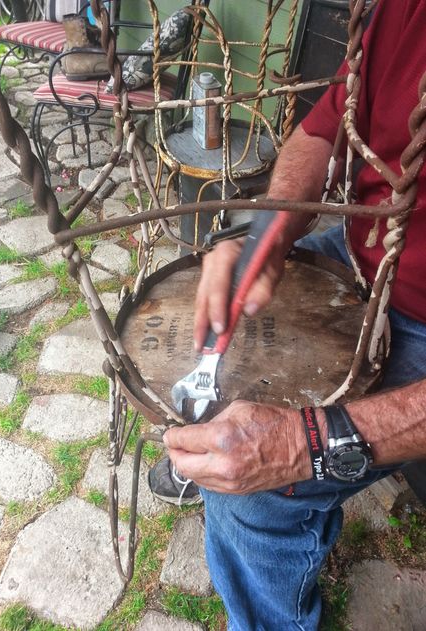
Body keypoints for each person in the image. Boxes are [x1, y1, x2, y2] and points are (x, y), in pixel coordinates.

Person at [149, 1, 426, 628]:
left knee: (253, 494)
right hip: (358, 252)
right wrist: (266, 233)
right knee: (228, 358)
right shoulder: (395, 10)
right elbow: (320, 132)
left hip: (419, 318)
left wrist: (309, 445)